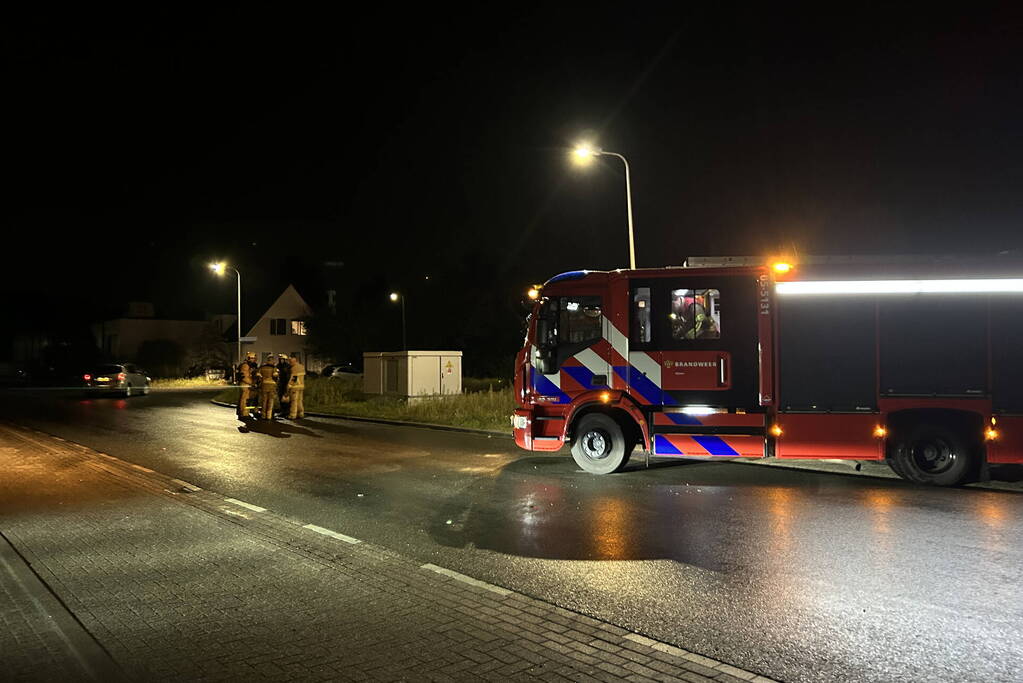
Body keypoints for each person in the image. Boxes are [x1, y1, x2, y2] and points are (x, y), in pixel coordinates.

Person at [255, 356, 279, 421]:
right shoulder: (274, 368)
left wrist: (260, 381)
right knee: (270, 401)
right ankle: (269, 415)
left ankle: (263, 415)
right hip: (272, 386)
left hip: (264, 385)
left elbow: (258, 375)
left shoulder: (262, 367)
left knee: (264, 401)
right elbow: (275, 376)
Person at [236, 352, 257, 419]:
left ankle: (244, 413)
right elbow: (245, 377)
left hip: (247, 384)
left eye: (254, 358)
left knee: (246, 399)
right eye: (252, 358)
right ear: (249, 358)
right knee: (245, 399)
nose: (254, 360)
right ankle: (244, 414)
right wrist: (252, 383)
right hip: (245, 384)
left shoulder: (250, 365)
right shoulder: (245, 366)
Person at [286, 354, 306, 420]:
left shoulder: (294, 368)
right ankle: (300, 413)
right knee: (299, 401)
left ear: (294, 360)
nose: (290, 363)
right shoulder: (302, 367)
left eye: (290, 361)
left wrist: (289, 386)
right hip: (301, 386)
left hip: (295, 387)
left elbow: (293, 378)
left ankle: (292, 415)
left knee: (293, 401)